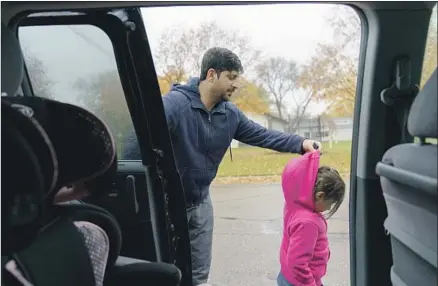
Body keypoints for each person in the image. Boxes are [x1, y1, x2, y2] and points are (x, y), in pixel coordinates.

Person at [123, 47, 322, 286]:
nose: (236, 84)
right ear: (211, 75)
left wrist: (301, 143)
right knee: (166, 269)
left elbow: (262, 135)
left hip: (201, 202)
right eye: (231, 77)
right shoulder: (174, 106)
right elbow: (137, 143)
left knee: (198, 274)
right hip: (168, 205)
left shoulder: (230, 114)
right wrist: (142, 191)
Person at [278, 151, 345, 286]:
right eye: (330, 204)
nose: (328, 208)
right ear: (320, 196)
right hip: (301, 282)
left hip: (287, 276)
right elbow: (297, 263)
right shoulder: (308, 223)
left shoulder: (294, 203)